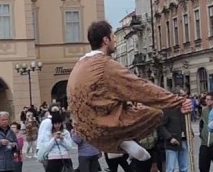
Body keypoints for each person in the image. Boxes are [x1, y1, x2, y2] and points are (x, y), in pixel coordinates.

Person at [67, 21, 193, 161]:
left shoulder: (80, 64)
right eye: (113, 37)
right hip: (104, 125)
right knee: (155, 112)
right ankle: (124, 138)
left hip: (85, 130)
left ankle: (122, 141)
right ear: (106, 40)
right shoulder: (105, 65)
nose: (115, 41)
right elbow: (141, 88)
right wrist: (178, 101)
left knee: (119, 102)